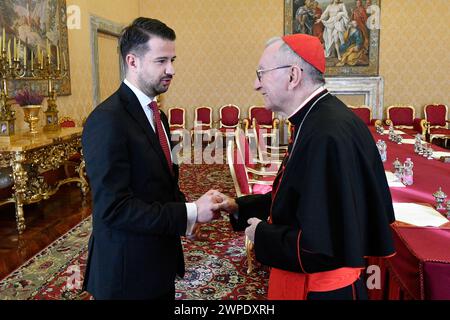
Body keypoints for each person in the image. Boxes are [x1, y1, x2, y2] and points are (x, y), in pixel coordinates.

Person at [218, 33, 396, 300]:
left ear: (292, 76)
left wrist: (262, 235)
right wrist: (239, 206)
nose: (256, 84)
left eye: (261, 73)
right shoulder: (318, 118)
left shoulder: (325, 133)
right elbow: (299, 200)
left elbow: (320, 247)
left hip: (322, 290)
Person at [82, 17, 222, 300]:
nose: (171, 69)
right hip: (127, 273)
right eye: (161, 61)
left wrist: (187, 218)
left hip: (156, 259)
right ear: (132, 62)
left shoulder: (158, 116)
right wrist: (190, 211)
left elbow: (161, 184)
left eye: (173, 60)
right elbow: (115, 209)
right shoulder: (107, 120)